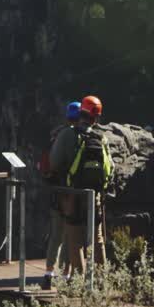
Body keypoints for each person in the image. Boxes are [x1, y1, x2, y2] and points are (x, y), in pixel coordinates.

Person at [58, 95, 112, 283]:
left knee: (75, 238)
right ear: (96, 118)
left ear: (81, 112)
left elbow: (55, 162)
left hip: (74, 193)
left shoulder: (69, 135)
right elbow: (109, 168)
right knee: (97, 238)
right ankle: (101, 280)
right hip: (94, 194)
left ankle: (80, 282)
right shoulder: (101, 138)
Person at [39, 101, 81, 290]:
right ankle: (66, 274)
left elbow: (53, 162)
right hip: (78, 191)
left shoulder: (61, 134)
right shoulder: (83, 135)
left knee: (56, 233)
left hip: (60, 190)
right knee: (71, 234)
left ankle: (49, 273)